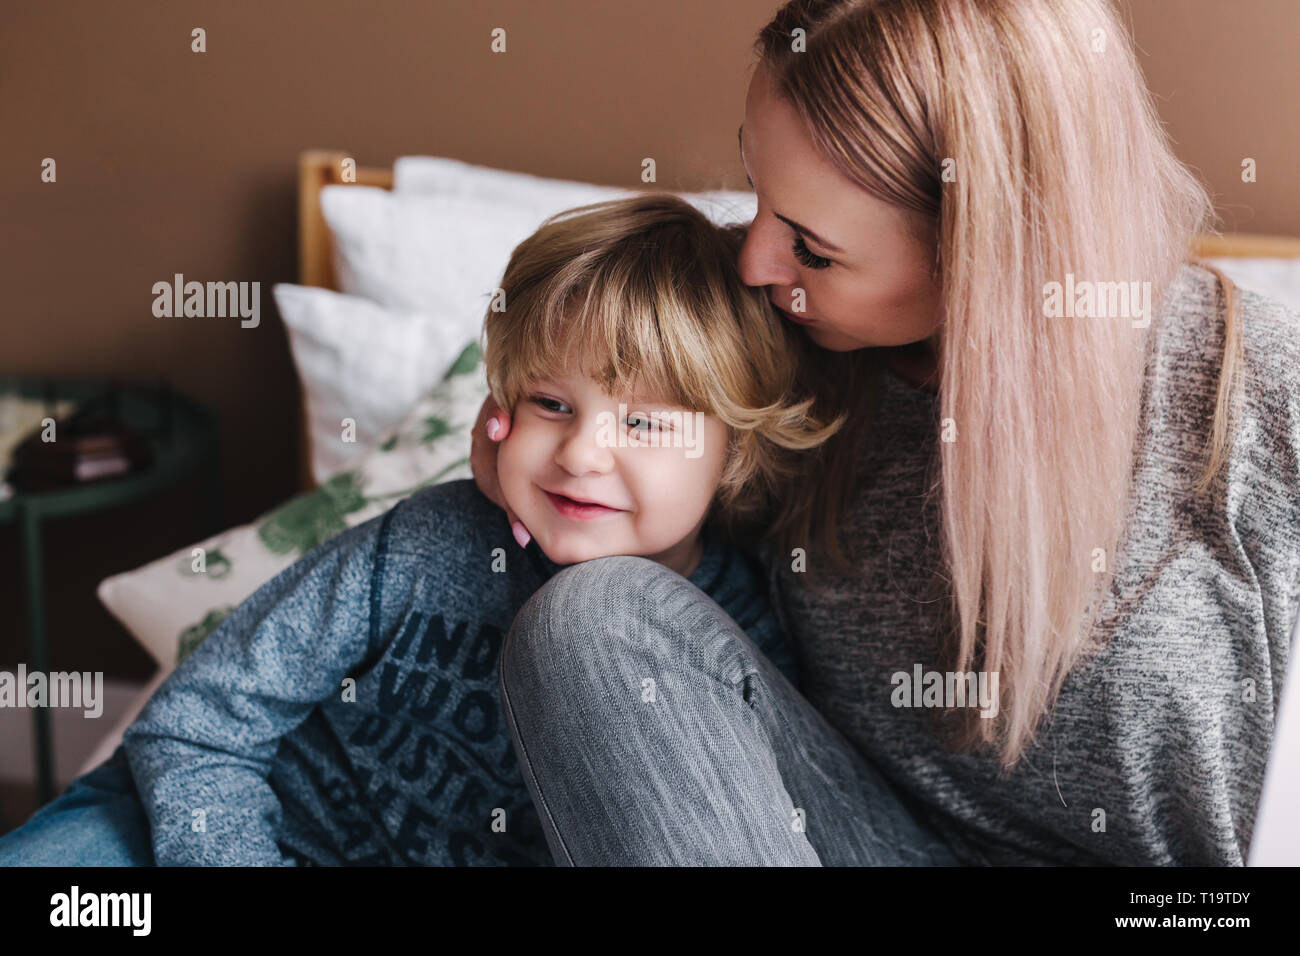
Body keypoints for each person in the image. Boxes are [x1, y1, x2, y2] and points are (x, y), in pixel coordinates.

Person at [479, 0, 1300, 865]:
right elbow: (594, 427)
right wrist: (532, 447)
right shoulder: (770, 336)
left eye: (814, 250)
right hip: (862, 843)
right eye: (757, 195)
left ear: (983, 249)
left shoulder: (1262, 409)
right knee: (589, 627)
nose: (756, 263)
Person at [0, 194, 845, 866]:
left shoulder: (741, 642)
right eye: (552, 404)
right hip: (207, 827)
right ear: (497, 414)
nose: (583, 452)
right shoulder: (428, 544)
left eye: (647, 424)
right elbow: (198, 722)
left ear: (735, 451)